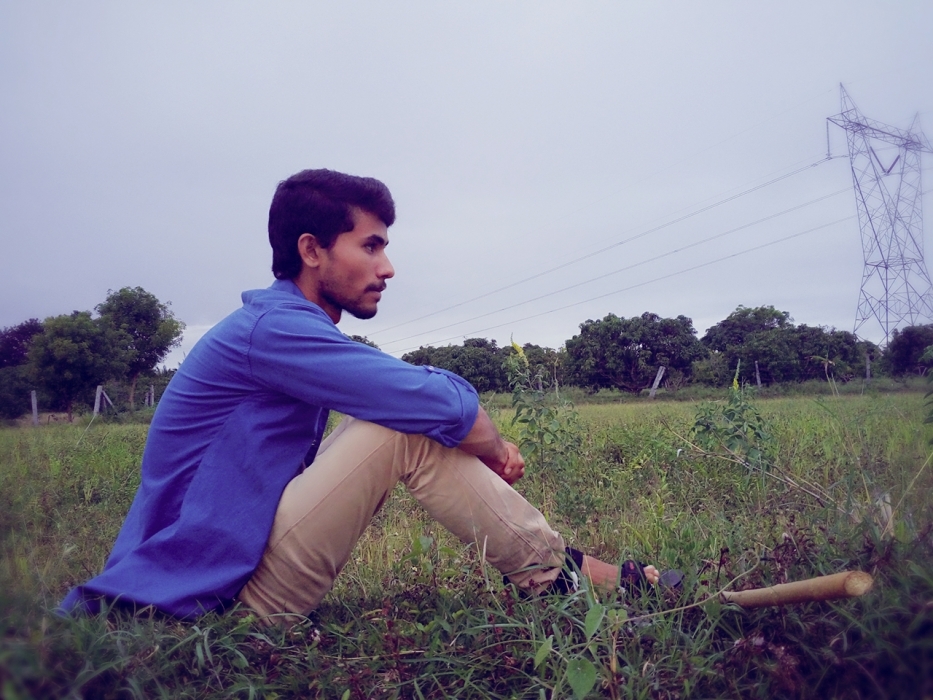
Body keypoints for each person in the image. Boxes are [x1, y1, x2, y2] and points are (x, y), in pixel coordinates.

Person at [60, 169, 658, 622]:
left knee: (406, 420)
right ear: (311, 251)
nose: (388, 267)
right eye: (371, 246)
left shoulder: (283, 327)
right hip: (195, 599)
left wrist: (468, 430)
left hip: (216, 575)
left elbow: (428, 402)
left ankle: (557, 573)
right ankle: (559, 577)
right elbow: (444, 405)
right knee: (401, 425)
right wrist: (494, 444)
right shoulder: (274, 331)